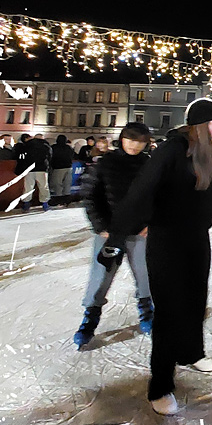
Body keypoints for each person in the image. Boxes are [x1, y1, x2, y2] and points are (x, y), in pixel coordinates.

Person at [102, 98, 212, 416]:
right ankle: (160, 387)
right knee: (169, 311)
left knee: (195, 299)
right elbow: (140, 192)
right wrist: (118, 236)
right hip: (167, 239)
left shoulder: (211, 152)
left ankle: (192, 352)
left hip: (196, 237)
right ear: (203, 123)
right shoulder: (172, 150)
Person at [74, 122, 155, 348]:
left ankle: (147, 312)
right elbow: (90, 196)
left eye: (140, 141)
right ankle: (90, 318)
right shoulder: (105, 164)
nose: (135, 145)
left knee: (145, 274)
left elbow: (157, 197)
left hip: (139, 231)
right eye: (131, 139)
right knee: (101, 275)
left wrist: (149, 222)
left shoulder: (149, 164)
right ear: (122, 138)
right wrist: (101, 226)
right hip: (110, 232)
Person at [20, 134, 53, 211]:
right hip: (42, 168)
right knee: (43, 186)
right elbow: (50, 156)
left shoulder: (27, 145)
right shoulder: (46, 146)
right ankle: (45, 204)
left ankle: (26, 204)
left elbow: (22, 156)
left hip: (29, 168)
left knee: (28, 186)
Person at [49, 134, 76, 207]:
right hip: (68, 167)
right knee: (67, 184)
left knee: (57, 184)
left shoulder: (54, 147)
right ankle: (67, 200)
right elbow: (73, 155)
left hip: (58, 167)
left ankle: (58, 199)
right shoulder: (68, 147)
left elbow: (51, 156)